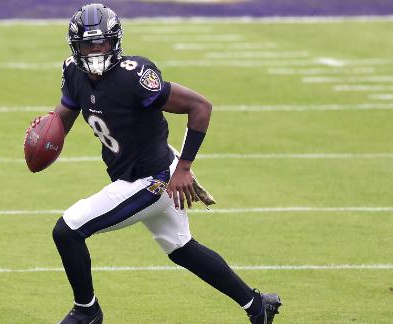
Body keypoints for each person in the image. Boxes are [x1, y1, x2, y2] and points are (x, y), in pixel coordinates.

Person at [36, 3, 282, 323]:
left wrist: (183, 169)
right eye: (87, 45)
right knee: (182, 249)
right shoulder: (73, 71)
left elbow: (200, 107)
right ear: (76, 47)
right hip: (139, 171)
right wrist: (47, 140)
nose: (95, 52)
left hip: (152, 180)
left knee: (67, 230)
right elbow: (64, 115)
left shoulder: (134, 76)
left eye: (102, 44)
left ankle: (87, 311)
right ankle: (257, 306)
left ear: (115, 42)